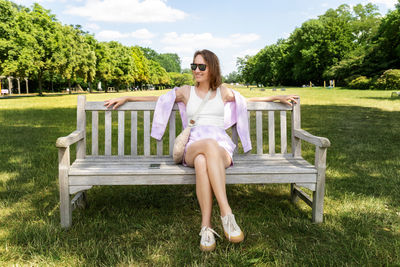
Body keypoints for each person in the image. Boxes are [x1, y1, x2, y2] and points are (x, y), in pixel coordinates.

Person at [104, 49, 299, 252]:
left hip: (220, 147)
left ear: (212, 68)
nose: (196, 70)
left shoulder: (222, 91)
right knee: (206, 145)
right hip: (194, 144)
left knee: (202, 161)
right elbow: (160, 98)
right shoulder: (186, 92)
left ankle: (206, 227)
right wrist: (127, 97)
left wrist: (277, 97)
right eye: (194, 66)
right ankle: (226, 213)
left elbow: (245, 101)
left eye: (201, 66)